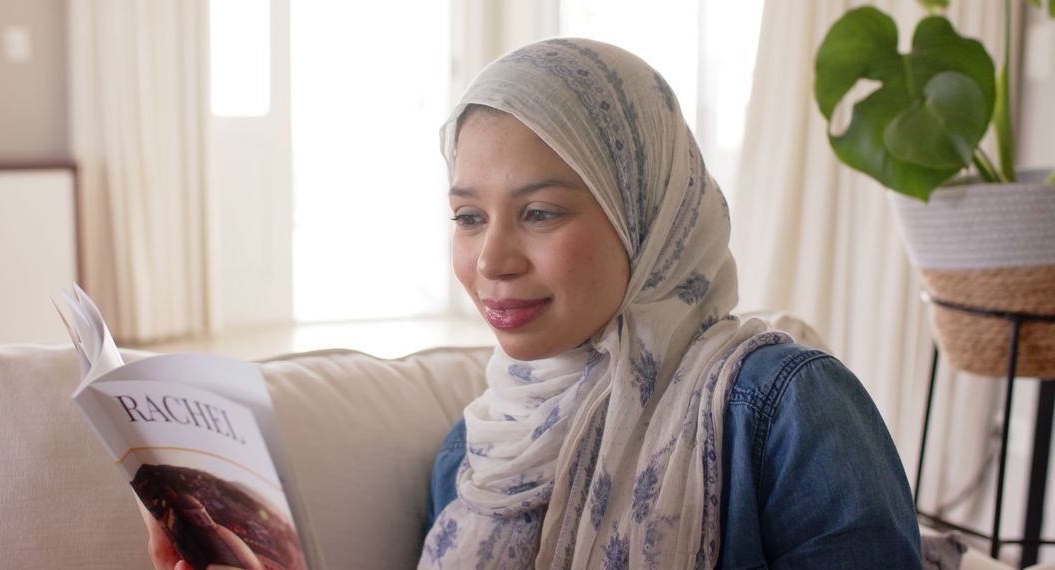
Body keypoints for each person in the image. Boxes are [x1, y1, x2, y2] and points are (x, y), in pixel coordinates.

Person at [146, 38, 922, 569]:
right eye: (468, 216)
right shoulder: (476, 453)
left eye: (541, 212)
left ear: (647, 217)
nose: (491, 260)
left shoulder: (785, 410)